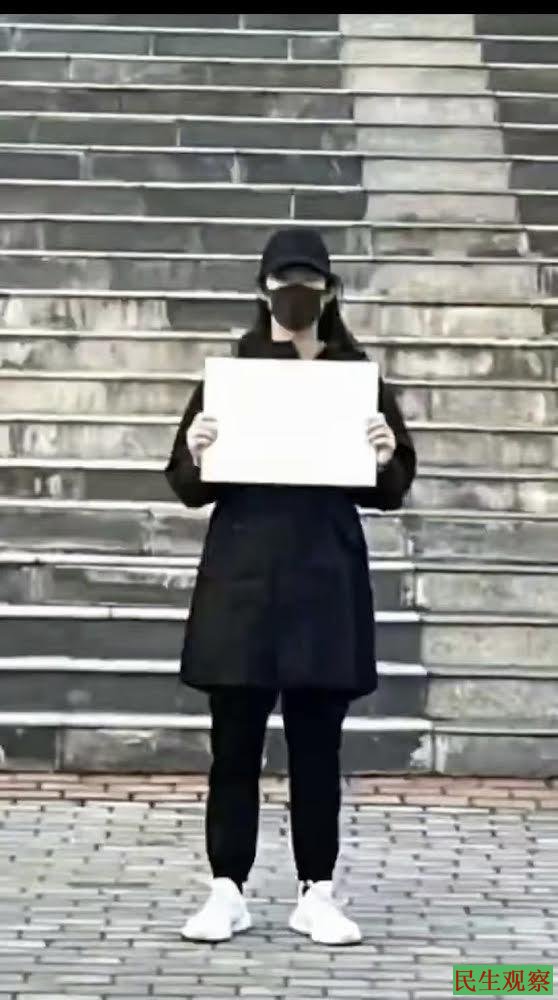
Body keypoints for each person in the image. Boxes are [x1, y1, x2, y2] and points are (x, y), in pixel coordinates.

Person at [165, 227, 416, 945]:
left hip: (322, 579)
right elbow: (187, 483)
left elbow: (391, 486)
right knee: (234, 746)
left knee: (316, 748)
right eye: (284, 284)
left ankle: (317, 890)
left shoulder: (354, 375)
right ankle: (227, 888)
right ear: (263, 290)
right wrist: (197, 450)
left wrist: (385, 454)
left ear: (330, 292)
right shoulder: (235, 375)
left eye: (309, 284)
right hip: (243, 578)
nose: (296, 296)